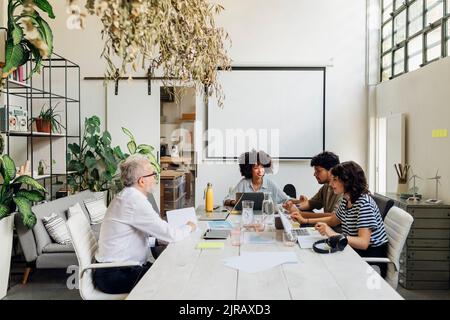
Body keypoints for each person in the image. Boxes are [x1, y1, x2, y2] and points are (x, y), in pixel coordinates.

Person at [94, 154, 197, 294]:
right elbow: (171, 235)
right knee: (175, 277)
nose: (155, 178)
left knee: (171, 269)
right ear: (142, 181)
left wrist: (157, 241)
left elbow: (130, 239)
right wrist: (190, 226)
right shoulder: (134, 201)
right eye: (153, 174)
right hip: (116, 274)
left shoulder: (128, 196)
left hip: (118, 269)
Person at [289, 161, 389, 276]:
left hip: (370, 260)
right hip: (354, 252)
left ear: (347, 181)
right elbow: (333, 220)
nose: (331, 184)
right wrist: (305, 221)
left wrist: (333, 234)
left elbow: (363, 242)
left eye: (335, 180)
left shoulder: (364, 204)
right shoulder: (346, 200)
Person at [284, 151, 341, 220]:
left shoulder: (342, 189)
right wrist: (294, 207)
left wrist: (300, 214)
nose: (314, 174)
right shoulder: (326, 187)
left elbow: (334, 217)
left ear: (331, 171)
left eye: (318, 171)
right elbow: (311, 203)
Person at [223, 150, 290, 206]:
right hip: (247, 218)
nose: (260, 171)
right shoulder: (244, 183)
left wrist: (299, 201)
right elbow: (225, 200)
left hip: (265, 218)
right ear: (249, 169)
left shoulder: (270, 183)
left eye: (262, 167)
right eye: (256, 168)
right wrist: (234, 202)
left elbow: (287, 199)